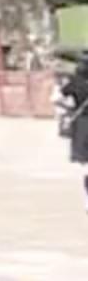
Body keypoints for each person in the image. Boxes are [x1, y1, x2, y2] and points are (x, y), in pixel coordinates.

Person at [63, 61, 88, 211]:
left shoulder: (75, 83)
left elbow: (56, 98)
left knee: (86, 165)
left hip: (81, 127)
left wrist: (70, 109)